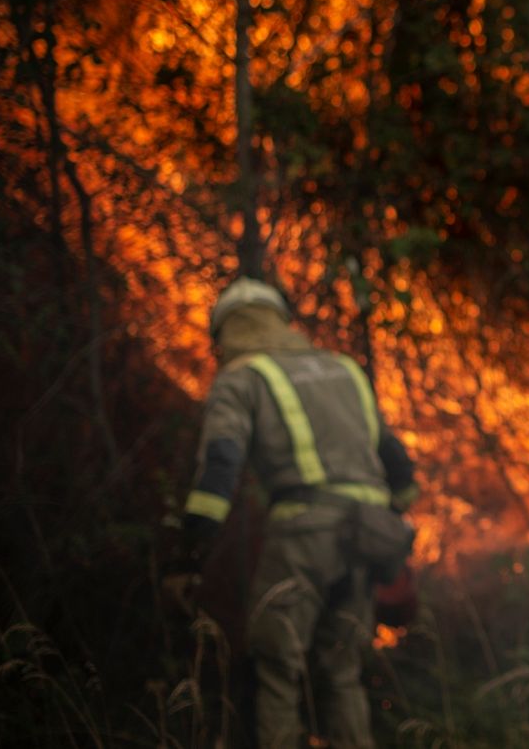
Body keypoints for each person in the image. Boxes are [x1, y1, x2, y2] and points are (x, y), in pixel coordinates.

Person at [161, 277, 418, 748]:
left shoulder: (241, 378)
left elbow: (220, 466)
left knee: (278, 667)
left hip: (303, 535)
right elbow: (398, 464)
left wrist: (189, 556)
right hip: (367, 535)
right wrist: (392, 521)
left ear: (224, 332)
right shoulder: (343, 368)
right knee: (342, 670)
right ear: (281, 320)